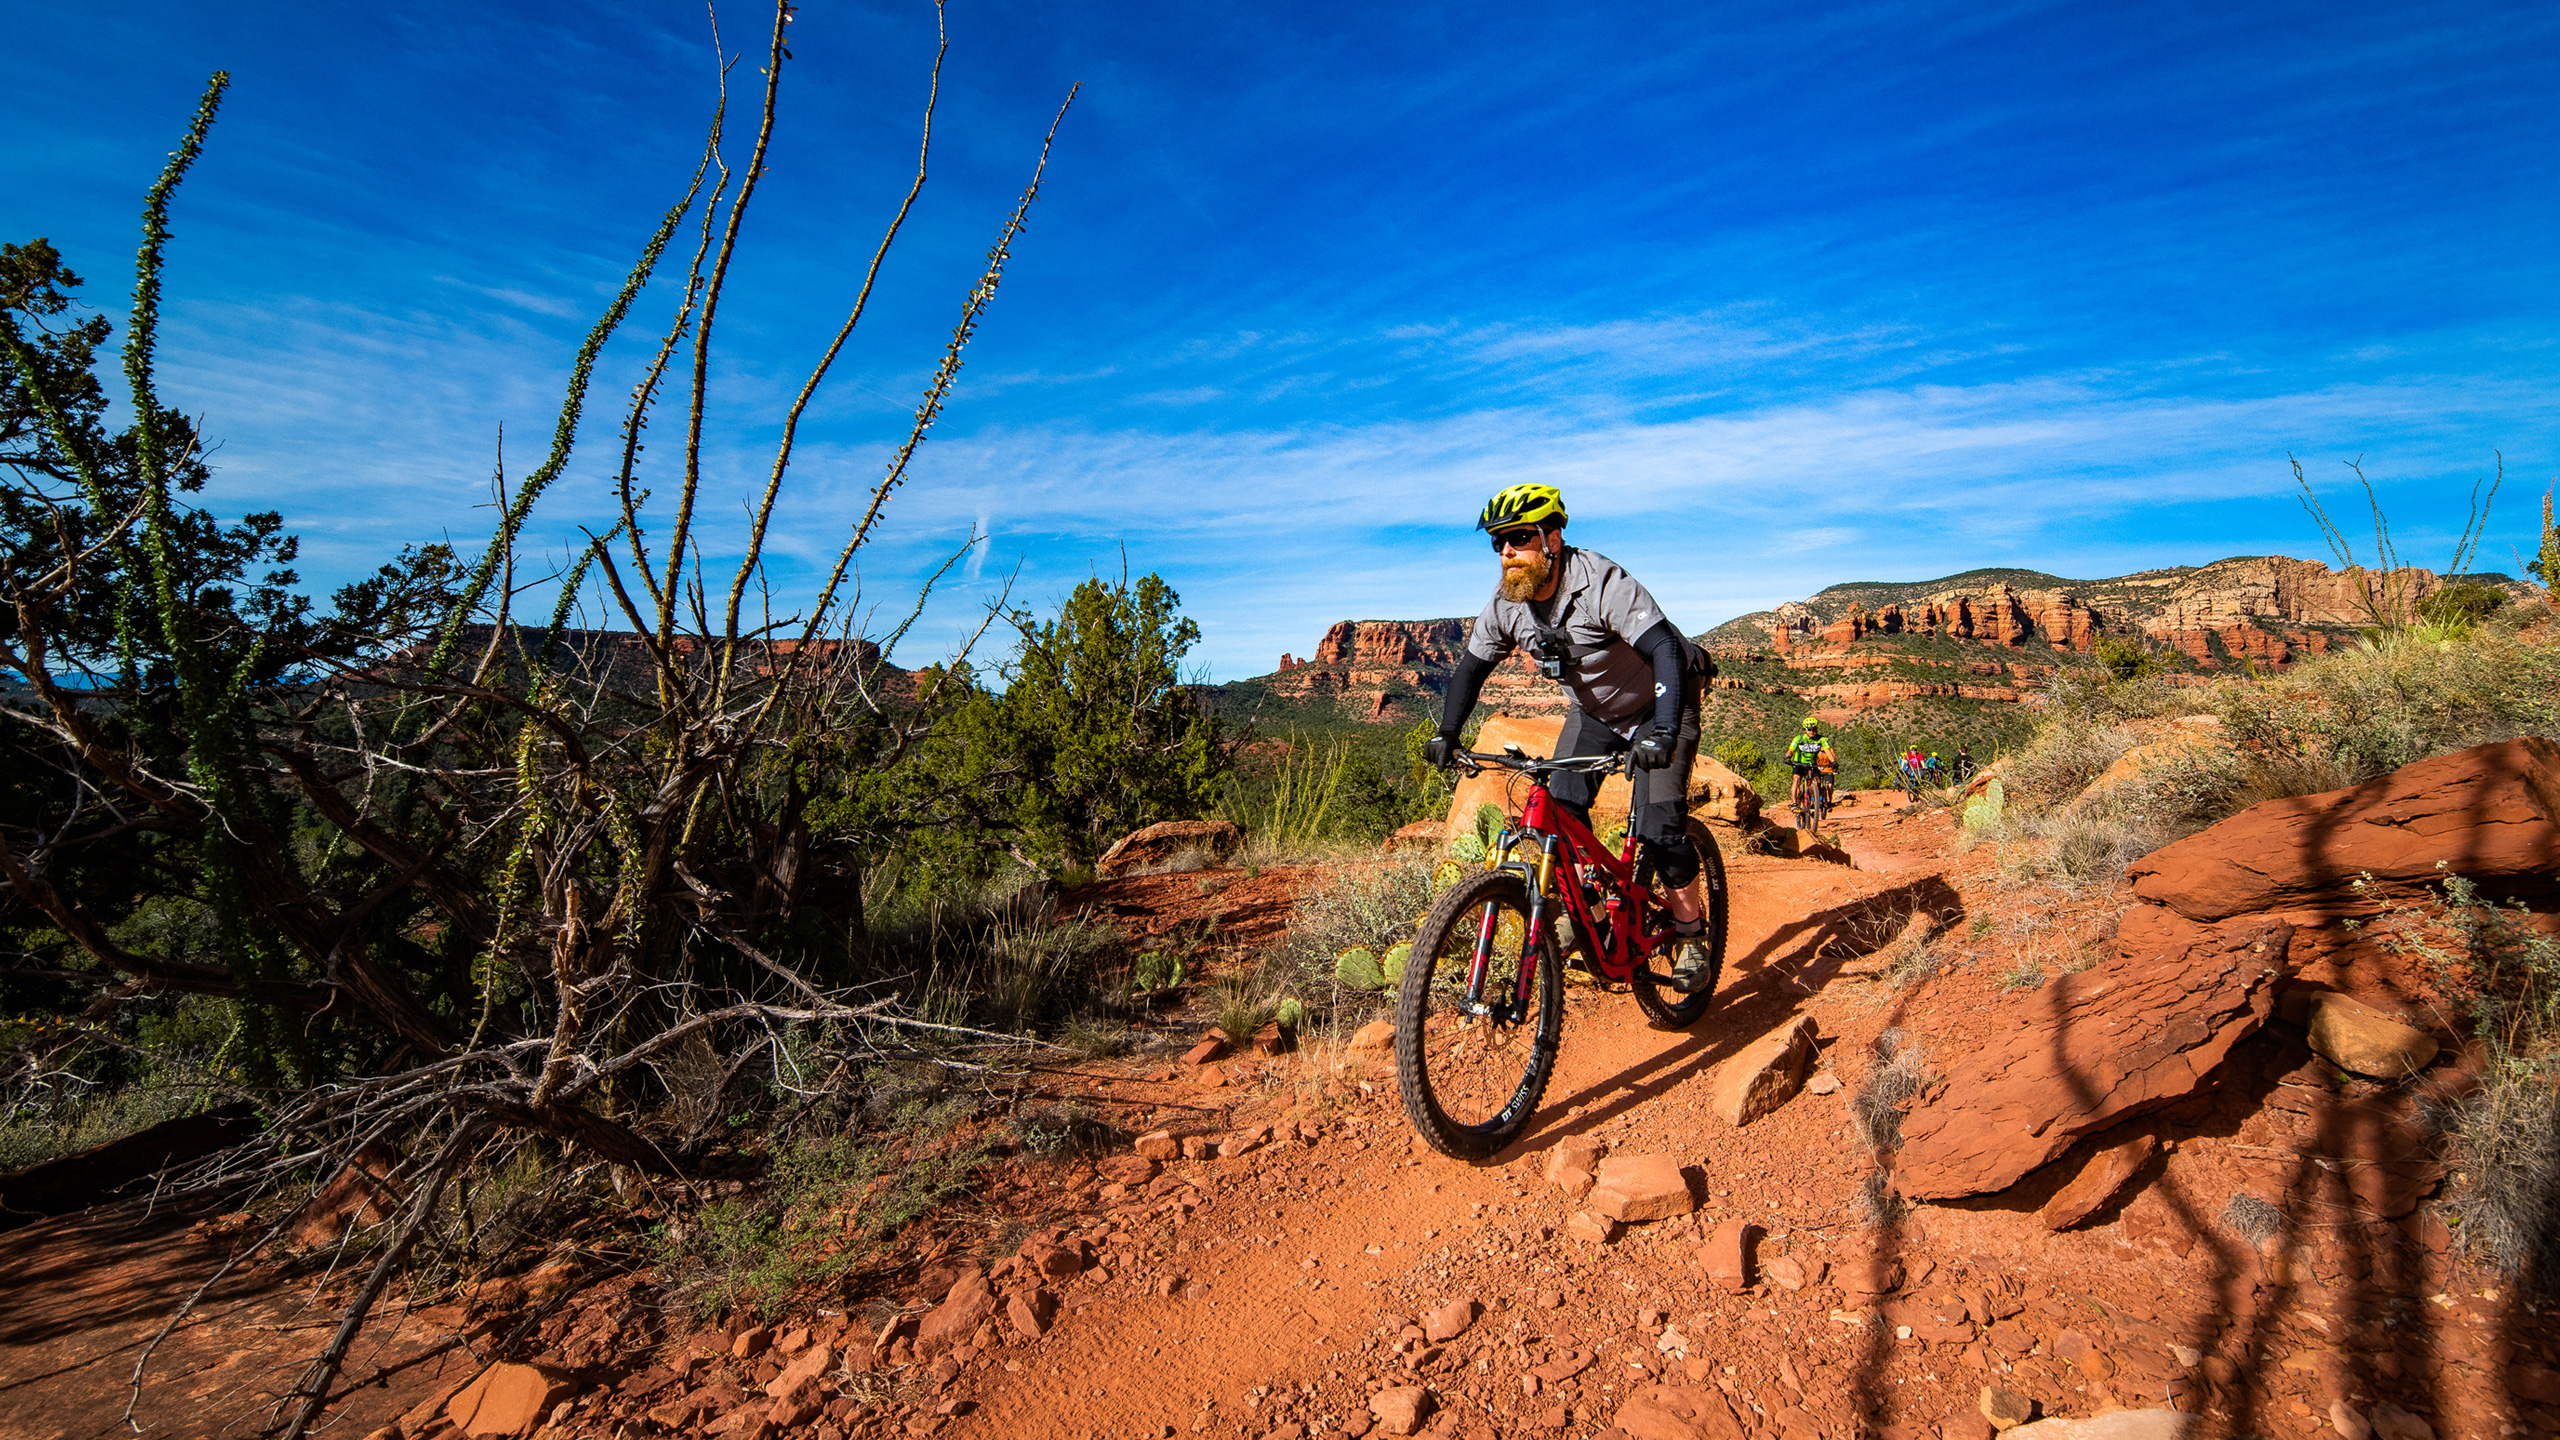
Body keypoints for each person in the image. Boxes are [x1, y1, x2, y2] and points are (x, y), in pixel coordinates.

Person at [1421, 484, 1718, 992]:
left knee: (1661, 826)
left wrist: (1665, 730)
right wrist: (1448, 733)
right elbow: (1471, 669)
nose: (1507, 552)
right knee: (1558, 811)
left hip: (1661, 703)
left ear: (1552, 539)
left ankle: (1690, 934)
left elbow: (1666, 647)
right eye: (1498, 544)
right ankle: (1592, 914)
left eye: (1518, 539)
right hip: (1597, 712)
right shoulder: (1506, 603)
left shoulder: (1601, 581)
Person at [1785, 717, 1834, 817]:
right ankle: (1794, 803)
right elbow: (1791, 749)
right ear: (1805, 730)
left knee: (1818, 782)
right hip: (1799, 764)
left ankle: (1816, 802)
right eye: (1809, 729)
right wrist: (1788, 757)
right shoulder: (1799, 739)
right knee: (1797, 779)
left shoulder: (1821, 739)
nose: (1812, 731)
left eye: (1814, 729)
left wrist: (1834, 762)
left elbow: (1828, 751)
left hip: (1813, 765)